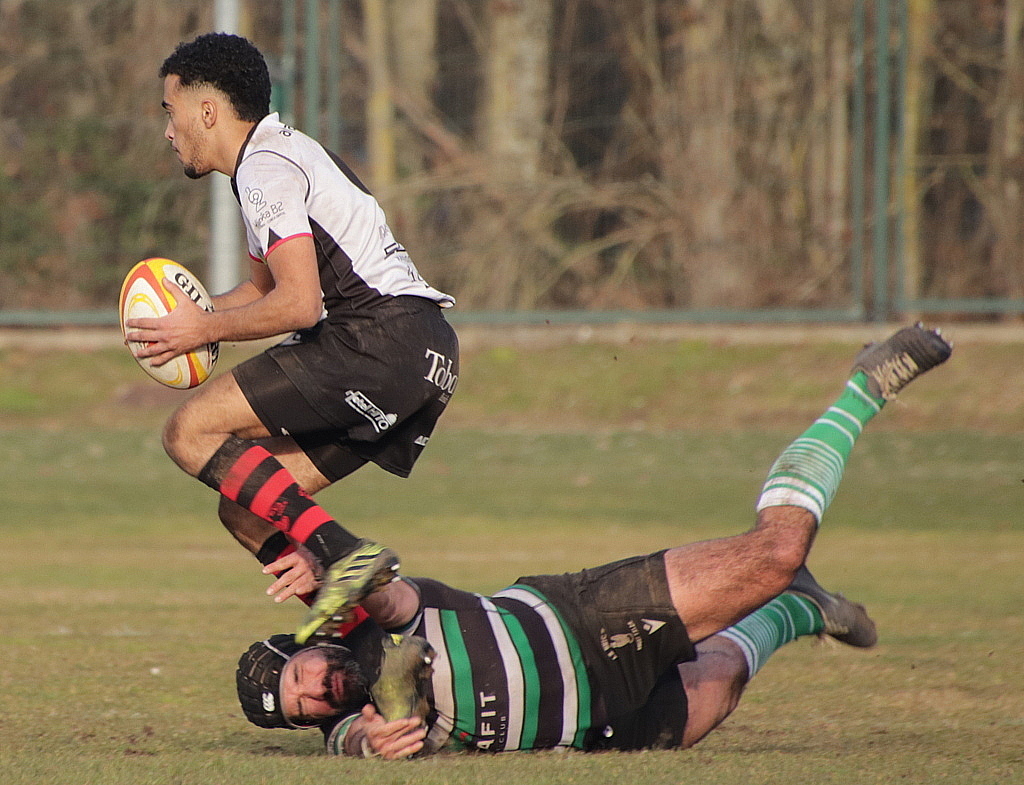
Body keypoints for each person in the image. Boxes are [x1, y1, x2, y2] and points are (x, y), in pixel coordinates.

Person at [234, 324, 952, 758]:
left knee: (775, 552)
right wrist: (378, 735)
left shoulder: (355, 614)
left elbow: (388, 592)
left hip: (579, 618)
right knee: (724, 677)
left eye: (303, 677)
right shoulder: (347, 730)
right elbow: (363, 742)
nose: (319, 690)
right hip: (598, 719)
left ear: (306, 645)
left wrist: (323, 555)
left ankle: (863, 388)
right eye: (308, 707)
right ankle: (802, 609)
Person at [124, 33, 458, 639]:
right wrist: (188, 322)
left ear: (208, 111)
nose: (169, 132)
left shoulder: (265, 170)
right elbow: (260, 292)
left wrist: (201, 327)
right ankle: (383, 655)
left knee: (189, 430)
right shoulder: (278, 155)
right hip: (425, 355)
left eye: (171, 113)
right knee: (244, 507)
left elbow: (300, 305)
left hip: (375, 342)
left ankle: (344, 549)